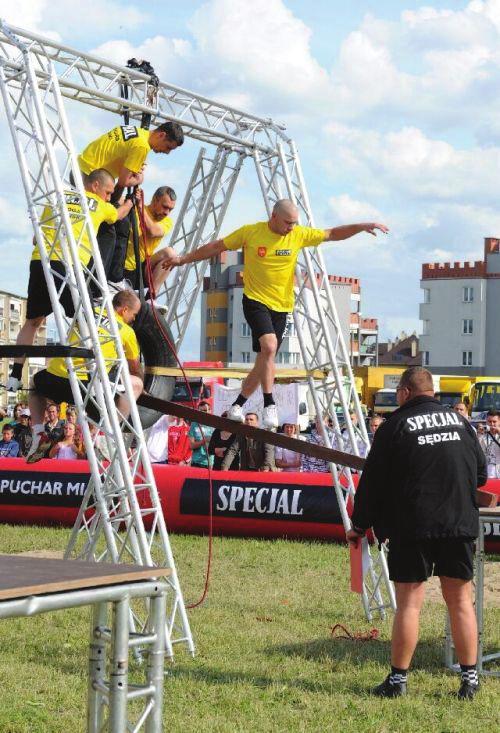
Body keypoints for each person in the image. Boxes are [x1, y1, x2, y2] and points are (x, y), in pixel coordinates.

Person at [162, 199, 388, 429]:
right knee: (269, 347)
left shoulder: (298, 234)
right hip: (255, 301)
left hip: (282, 306)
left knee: (264, 359)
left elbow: (332, 233)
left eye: (294, 223)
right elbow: (217, 246)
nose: (291, 227)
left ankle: (238, 404)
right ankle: (270, 403)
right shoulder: (251, 233)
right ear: (273, 216)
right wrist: (183, 259)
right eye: (288, 222)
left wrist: (360, 226)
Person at [347, 366, 487, 700]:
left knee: (410, 604)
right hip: (458, 523)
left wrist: (358, 525)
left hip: (413, 525)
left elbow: (372, 484)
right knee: (461, 601)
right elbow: (480, 475)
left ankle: (398, 682)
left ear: (406, 392)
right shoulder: (461, 422)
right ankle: (470, 681)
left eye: (397, 394)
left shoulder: (395, 426)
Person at [7, 169, 134, 392]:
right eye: (107, 192)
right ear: (95, 186)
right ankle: (99, 377)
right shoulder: (98, 203)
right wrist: (131, 201)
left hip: (42, 262)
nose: (107, 196)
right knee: (86, 319)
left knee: (33, 321)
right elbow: (119, 214)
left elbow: (37, 236)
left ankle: (15, 375)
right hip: (69, 266)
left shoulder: (57, 197)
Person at [27, 290, 143, 463]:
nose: (134, 319)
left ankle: (39, 433)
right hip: (88, 387)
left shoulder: (84, 313)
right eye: (134, 314)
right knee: (136, 384)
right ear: (124, 310)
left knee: (34, 386)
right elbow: (134, 367)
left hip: (57, 378)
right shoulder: (126, 331)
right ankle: (109, 432)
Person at [77, 121, 184, 192]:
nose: (167, 152)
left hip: (79, 167)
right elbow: (123, 182)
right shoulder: (142, 147)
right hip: (88, 178)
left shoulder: (135, 130)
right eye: (168, 147)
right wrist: (139, 180)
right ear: (162, 135)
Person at [120, 186, 177, 293]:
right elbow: (116, 198)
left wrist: (140, 208)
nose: (167, 212)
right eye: (165, 207)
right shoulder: (134, 208)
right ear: (155, 200)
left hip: (141, 270)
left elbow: (153, 232)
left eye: (170, 209)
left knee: (170, 254)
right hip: (120, 265)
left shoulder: (167, 222)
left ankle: (151, 297)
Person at [188, 401, 214, 469]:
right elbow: (191, 445)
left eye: (205, 410)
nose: (203, 413)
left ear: (210, 411)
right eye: (201, 411)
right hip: (196, 463)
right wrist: (203, 441)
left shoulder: (214, 425)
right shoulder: (194, 424)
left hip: (209, 463)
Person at [483, 410, 500, 479]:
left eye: (494, 422)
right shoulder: (482, 435)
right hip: (487, 472)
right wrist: (479, 435)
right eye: (489, 422)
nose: (492, 424)